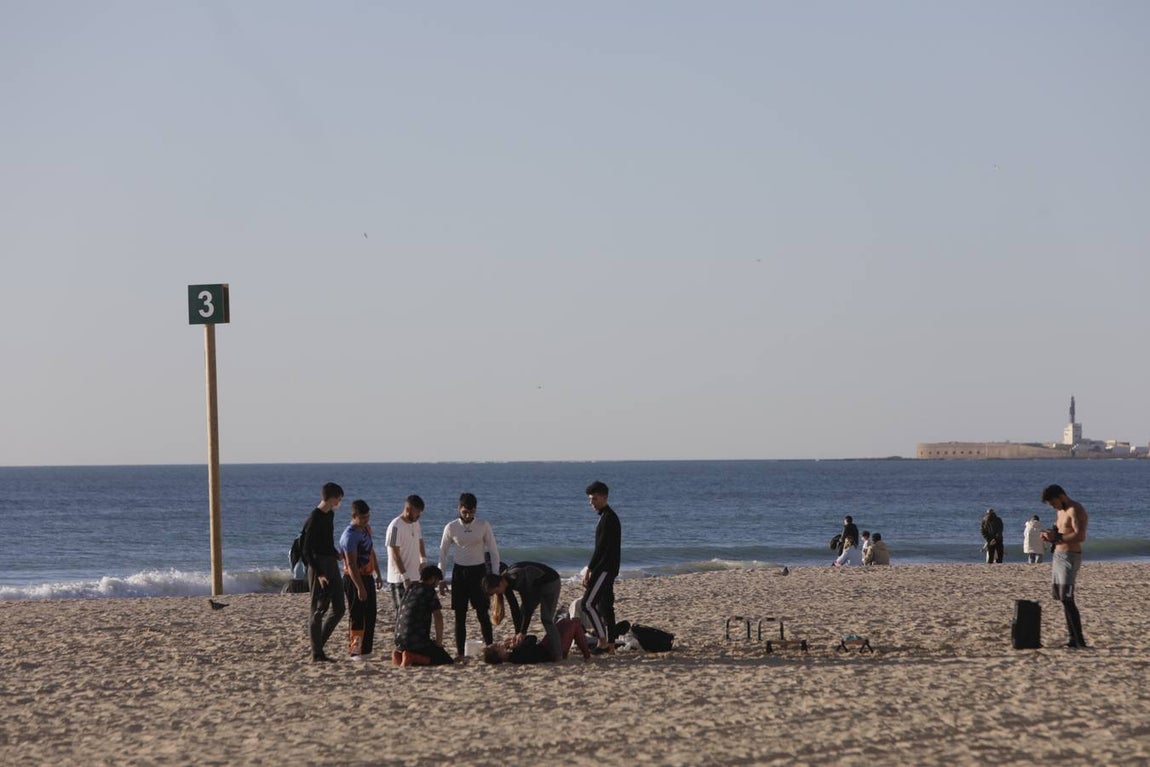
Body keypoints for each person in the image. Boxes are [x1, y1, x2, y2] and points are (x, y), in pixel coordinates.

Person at [438, 492, 501, 659]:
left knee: (482, 613)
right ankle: (460, 653)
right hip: (459, 573)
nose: (467, 515)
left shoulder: (483, 525)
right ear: (459, 509)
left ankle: (490, 647)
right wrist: (441, 578)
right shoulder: (451, 527)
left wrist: (494, 576)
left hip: (479, 572)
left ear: (475, 510)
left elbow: (493, 551)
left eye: (471, 512)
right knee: (460, 615)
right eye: (465, 512)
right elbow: (443, 554)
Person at [300, 482, 346, 662]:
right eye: (339, 498)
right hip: (317, 566)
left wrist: (336, 554)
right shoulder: (314, 517)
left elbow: (327, 542)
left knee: (339, 608)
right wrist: (319, 573)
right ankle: (317, 653)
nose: (339, 502)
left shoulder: (330, 515)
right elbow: (306, 549)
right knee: (317, 610)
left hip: (331, 563)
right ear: (331, 498)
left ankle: (319, 644)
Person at [483, 561, 563, 662]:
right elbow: (516, 609)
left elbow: (528, 606)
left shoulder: (517, 578)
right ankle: (522, 639)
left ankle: (558, 654)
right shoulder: (505, 582)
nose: (497, 594)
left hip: (550, 582)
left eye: (496, 591)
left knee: (546, 619)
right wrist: (518, 634)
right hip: (536, 587)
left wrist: (523, 632)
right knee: (522, 613)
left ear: (500, 583)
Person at [1041, 485, 1089, 648]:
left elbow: (1080, 535)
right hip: (1058, 556)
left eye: (1054, 503)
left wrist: (1058, 536)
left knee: (1068, 599)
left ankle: (1079, 640)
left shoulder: (1075, 509)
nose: (1053, 506)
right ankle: (1072, 639)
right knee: (1062, 598)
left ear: (1061, 496)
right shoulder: (1060, 512)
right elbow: (1061, 532)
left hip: (1070, 556)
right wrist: (1051, 536)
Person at [339, 499, 382, 659]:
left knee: (371, 614)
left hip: (368, 576)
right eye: (363, 517)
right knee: (357, 615)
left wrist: (377, 572)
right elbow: (350, 564)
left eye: (368, 517)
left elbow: (371, 551)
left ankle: (366, 650)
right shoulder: (349, 536)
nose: (366, 520)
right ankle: (355, 650)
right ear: (354, 516)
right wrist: (359, 587)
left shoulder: (366, 530)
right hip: (353, 579)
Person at [582, 480, 621, 654]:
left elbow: (601, 548)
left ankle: (602, 640)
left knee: (587, 604)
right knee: (606, 607)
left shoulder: (608, 518)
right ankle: (611, 645)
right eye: (590, 499)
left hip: (604, 569)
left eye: (595, 499)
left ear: (604, 498)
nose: (592, 503)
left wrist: (589, 570)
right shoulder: (606, 517)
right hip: (608, 568)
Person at [393, 565, 453, 666]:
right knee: (445, 660)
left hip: (399, 640)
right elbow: (438, 617)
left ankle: (398, 654)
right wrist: (439, 643)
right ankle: (411, 656)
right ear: (433, 578)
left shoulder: (410, 587)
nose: (437, 584)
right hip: (415, 642)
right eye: (438, 581)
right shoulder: (429, 590)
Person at [481, 617, 592, 664]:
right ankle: (587, 656)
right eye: (497, 646)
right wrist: (517, 644)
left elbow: (532, 642)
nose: (500, 644)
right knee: (575, 623)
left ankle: (585, 638)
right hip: (553, 652)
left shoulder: (513, 654)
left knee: (563, 621)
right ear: (499, 654)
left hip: (545, 645)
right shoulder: (516, 656)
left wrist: (513, 643)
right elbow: (532, 639)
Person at [385, 495, 427, 614]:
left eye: (420, 513)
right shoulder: (395, 527)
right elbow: (394, 553)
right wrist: (404, 577)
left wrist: (423, 561)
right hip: (399, 578)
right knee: (402, 613)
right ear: (408, 509)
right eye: (417, 513)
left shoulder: (416, 523)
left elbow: (420, 541)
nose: (418, 516)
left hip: (415, 576)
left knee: (415, 612)